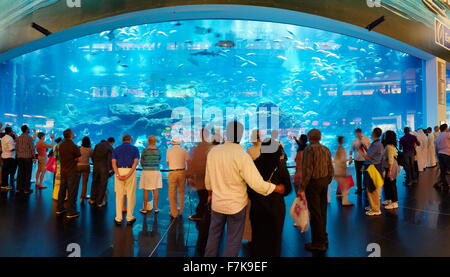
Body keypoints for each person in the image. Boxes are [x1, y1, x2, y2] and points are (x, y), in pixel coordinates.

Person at [204, 121, 285, 257]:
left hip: (217, 204)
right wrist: (276, 188)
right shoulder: (242, 156)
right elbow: (256, 184)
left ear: (226, 134)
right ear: (241, 135)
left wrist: (210, 194)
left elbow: (208, 180)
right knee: (233, 240)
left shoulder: (213, 153)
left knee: (213, 236)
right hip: (236, 205)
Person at [250, 138, 292, 257]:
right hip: (276, 208)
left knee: (258, 240)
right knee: (274, 241)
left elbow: (248, 188)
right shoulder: (280, 166)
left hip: (257, 208)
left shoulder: (254, 164)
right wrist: (278, 188)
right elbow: (288, 188)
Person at [298, 129, 334, 252]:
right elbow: (330, 167)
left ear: (309, 137)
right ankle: (323, 237)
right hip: (324, 182)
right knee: (322, 210)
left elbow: (307, 170)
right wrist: (328, 180)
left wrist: (302, 187)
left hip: (313, 184)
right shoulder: (326, 149)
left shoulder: (309, 149)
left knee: (315, 213)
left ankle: (318, 243)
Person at [112, 134, 139, 225]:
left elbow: (113, 163)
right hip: (130, 170)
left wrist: (117, 174)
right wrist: (129, 174)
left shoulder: (116, 149)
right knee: (130, 194)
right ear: (130, 140)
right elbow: (135, 163)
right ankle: (129, 217)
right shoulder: (135, 149)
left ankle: (118, 218)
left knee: (119, 195)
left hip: (119, 170)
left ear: (122, 140)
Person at [186, 128, 213, 221]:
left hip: (201, 178)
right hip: (211, 177)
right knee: (206, 196)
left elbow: (193, 163)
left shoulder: (198, 148)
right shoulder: (211, 147)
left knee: (202, 196)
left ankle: (201, 214)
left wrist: (189, 176)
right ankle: (208, 214)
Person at [56, 129, 82, 219]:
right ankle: (71, 212)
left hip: (63, 171)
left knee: (62, 190)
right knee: (72, 191)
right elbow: (79, 159)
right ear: (71, 135)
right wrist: (74, 159)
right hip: (72, 171)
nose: (74, 134)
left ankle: (59, 208)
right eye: (73, 133)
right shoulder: (74, 146)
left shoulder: (61, 145)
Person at [362, 128, 384, 216]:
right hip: (374, 167)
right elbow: (372, 155)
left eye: (372, 132)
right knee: (371, 188)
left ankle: (376, 209)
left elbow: (368, 157)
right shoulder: (378, 144)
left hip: (372, 168)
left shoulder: (376, 145)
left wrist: (361, 152)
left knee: (372, 188)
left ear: (374, 133)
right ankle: (373, 206)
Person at [166, 139, 190, 219]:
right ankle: (181, 211)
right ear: (179, 143)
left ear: (172, 143)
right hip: (182, 172)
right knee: (181, 192)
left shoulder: (169, 151)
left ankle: (174, 212)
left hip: (172, 172)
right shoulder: (183, 150)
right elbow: (188, 161)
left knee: (172, 193)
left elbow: (168, 162)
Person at [139, 136, 163, 214]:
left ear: (148, 142)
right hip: (156, 171)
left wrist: (145, 166)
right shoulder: (158, 151)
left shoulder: (144, 151)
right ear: (155, 142)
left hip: (146, 171)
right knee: (155, 189)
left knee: (146, 189)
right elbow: (159, 161)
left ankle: (145, 208)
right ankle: (156, 208)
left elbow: (141, 162)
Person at [89, 137, 114, 207]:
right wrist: (110, 169)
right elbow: (109, 159)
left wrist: (95, 164)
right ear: (112, 142)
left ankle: (92, 199)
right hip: (104, 168)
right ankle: (99, 202)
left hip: (96, 167)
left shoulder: (97, 145)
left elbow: (92, 156)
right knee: (103, 184)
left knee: (94, 182)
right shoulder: (110, 147)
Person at [349, 128, 371, 195]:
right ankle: (359, 188)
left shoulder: (366, 139)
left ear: (361, 132)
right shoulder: (354, 141)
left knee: (366, 174)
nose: (357, 134)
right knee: (358, 174)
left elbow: (370, 149)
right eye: (356, 133)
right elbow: (351, 150)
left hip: (365, 160)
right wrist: (350, 157)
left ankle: (365, 187)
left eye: (358, 132)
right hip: (357, 160)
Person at [15, 125, 36, 194]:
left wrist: (18, 155)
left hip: (20, 157)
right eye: (28, 129)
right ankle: (26, 189)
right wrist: (34, 157)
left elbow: (16, 148)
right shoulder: (29, 138)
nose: (29, 130)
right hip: (27, 157)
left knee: (20, 173)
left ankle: (18, 188)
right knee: (28, 173)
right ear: (26, 130)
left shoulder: (18, 138)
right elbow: (32, 148)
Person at [382, 130, 399, 210]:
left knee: (391, 184)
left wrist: (389, 171)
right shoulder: (391, 146)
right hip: (389, 166)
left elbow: (391, 160)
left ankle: (394, 202)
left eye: (385, 135)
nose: (384, 136)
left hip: (391, 167)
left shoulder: (389, 146)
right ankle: (389, 199)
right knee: (388, 183)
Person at [334, 136, 352, 206]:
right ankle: (345, 201)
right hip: (341, 169)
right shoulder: (341, 149)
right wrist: (348, 160)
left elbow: (336, 159)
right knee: (345, 184)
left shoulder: (338, 148)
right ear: (341, 141)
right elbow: (342, 160)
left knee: (341, 182)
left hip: (338, 169)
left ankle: (338, 193)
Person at [434, 124, 450, 191]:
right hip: (447, 154)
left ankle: (445, 185)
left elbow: (436, 149)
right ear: (446, 128)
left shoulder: (437, 137)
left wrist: (437, 157)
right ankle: (442, 184)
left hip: (440, 155)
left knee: (442, 172)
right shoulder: (447, 134)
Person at [77, 136, 92, 202]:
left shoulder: (79, 148)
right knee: (84, 183)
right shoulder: (90, 149)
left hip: (78, 166)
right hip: (86, 166)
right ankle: (82, 198)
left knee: (76, 182)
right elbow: (92, 157)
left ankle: (73, 196)